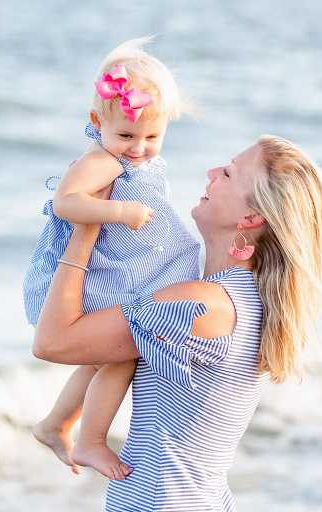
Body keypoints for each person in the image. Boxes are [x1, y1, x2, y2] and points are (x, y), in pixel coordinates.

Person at [33, 136, 322, 510]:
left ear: (250, 218)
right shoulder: (249, 302)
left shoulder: (197, 307)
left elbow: (52, 342)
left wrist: (86, 227)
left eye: (227, 173)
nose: (211, 173)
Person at [22, 37, 200, 480]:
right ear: (96, 121)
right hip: (93, 279)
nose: (138, 147)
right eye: (126, 135)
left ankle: (54, 425)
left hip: (114, 275)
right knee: (122, 355)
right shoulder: (102, 160)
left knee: (107, 357)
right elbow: (67, 201)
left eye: (152, 136)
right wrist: (119, 211)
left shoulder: (126, 158)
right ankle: (90, 441)